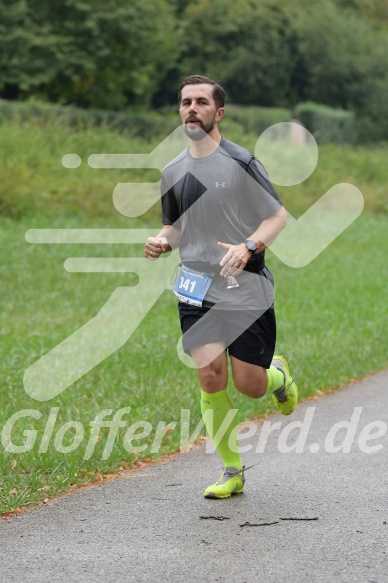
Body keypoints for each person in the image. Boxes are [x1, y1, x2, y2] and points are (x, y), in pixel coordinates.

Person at [145, 75, 297, 499]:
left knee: (249, 384)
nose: (191, 109)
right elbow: (174, 226)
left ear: (219, 112)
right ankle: (231, 469)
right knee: (210, 376)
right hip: (195, 284)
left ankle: (277, 375)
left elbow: (277, 217)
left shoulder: (241, 162)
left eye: (200, 102)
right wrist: (162, 240)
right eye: (184, 102)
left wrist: (249, 247)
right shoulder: (173, 170)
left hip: (243, 284)